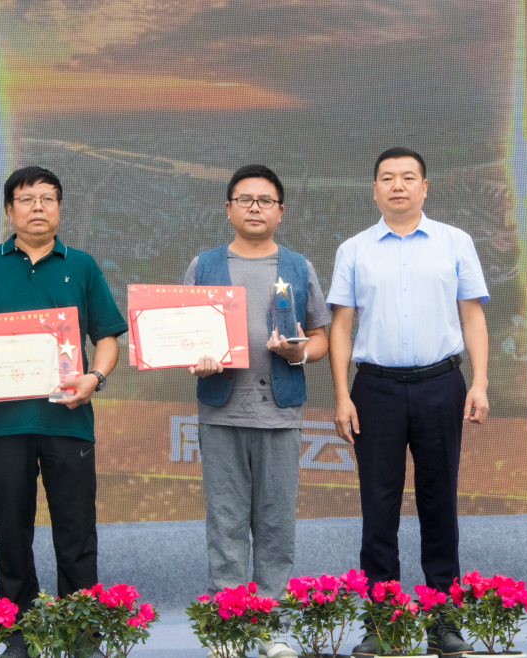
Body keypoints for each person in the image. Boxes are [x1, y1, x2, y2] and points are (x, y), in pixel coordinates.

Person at [0, 166, 127, 658]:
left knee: (77, 530)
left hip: (67, 418)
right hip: (2, 423)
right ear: (9, 209)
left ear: (59, 207)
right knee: (10, 531)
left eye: (48, 198)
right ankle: (19, 633)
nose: (37, 207)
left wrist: (95, 377)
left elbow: (107, 337)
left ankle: (81, 634)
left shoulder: (81, 265)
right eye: (26, 199)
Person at [326, 147, 489, 657]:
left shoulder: (455, 242)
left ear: (425, 187)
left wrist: (480, 382)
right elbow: (341, 326)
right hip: (374, 390)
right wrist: (341, 395)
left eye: (408, 177)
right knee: (378, 506)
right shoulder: (354, 249)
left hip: (442, 384)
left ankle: (444, 623)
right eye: (387, 178)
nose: (398, 186)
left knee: (440, 503)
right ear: (374, 189)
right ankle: (383, 623)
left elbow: (472, 315)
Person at [184, 164, 330, 658]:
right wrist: (197, 358)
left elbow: (321, 336)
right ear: (228, 208)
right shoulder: (203, 266)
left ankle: (272, 628)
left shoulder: (298, 266)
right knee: (225, 525)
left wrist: (299, 352)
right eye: (244, 199)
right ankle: (229, 629)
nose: (254, 208)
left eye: (265, 200)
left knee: (275, 526)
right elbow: (182, 335)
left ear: (280, 212)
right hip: (221, 414)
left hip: (279, 414)